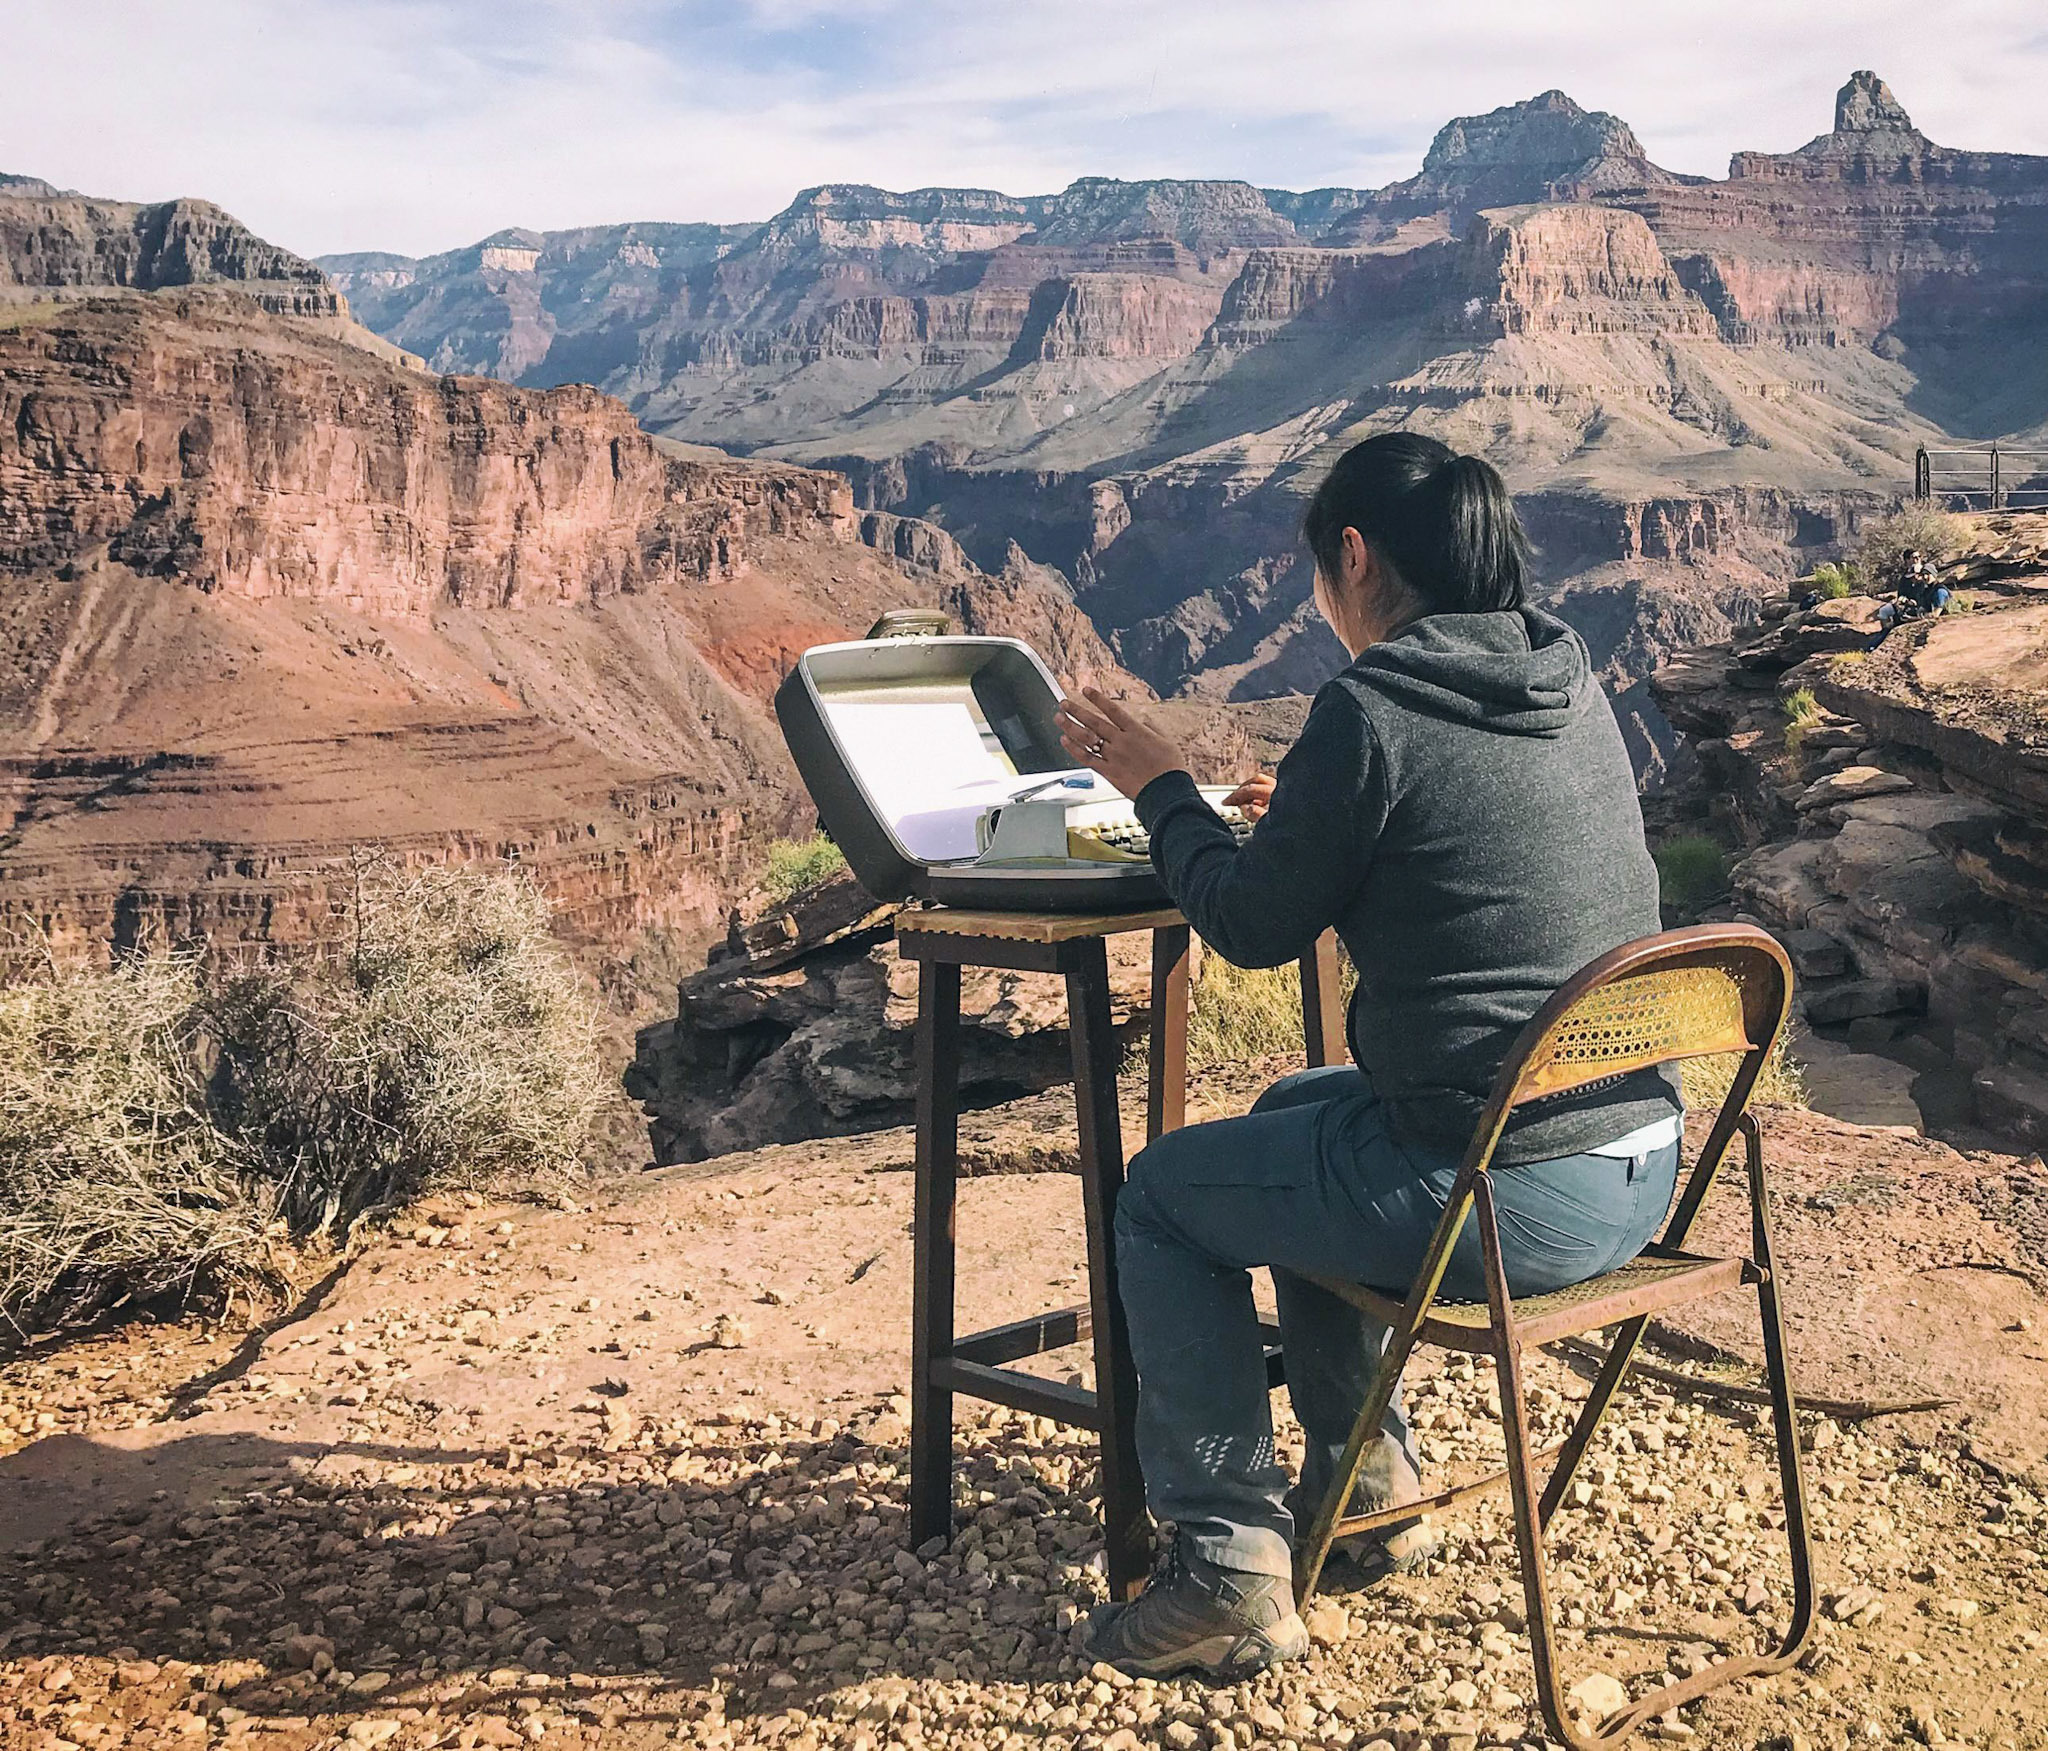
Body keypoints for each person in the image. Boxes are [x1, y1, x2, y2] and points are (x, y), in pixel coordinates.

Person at [1054, 433, 1683, 1680]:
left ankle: (1226, 1569)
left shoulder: (1371, 707)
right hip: (1642, 1159)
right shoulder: (1565, 668)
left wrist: (1161, 786)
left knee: (1167, 1196)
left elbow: (1244, 927)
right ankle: (1363, 1495)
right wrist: (1293, 819)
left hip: (1501, 1202)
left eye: (1316, 574)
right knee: (1295, 1102)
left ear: (1352, 554)